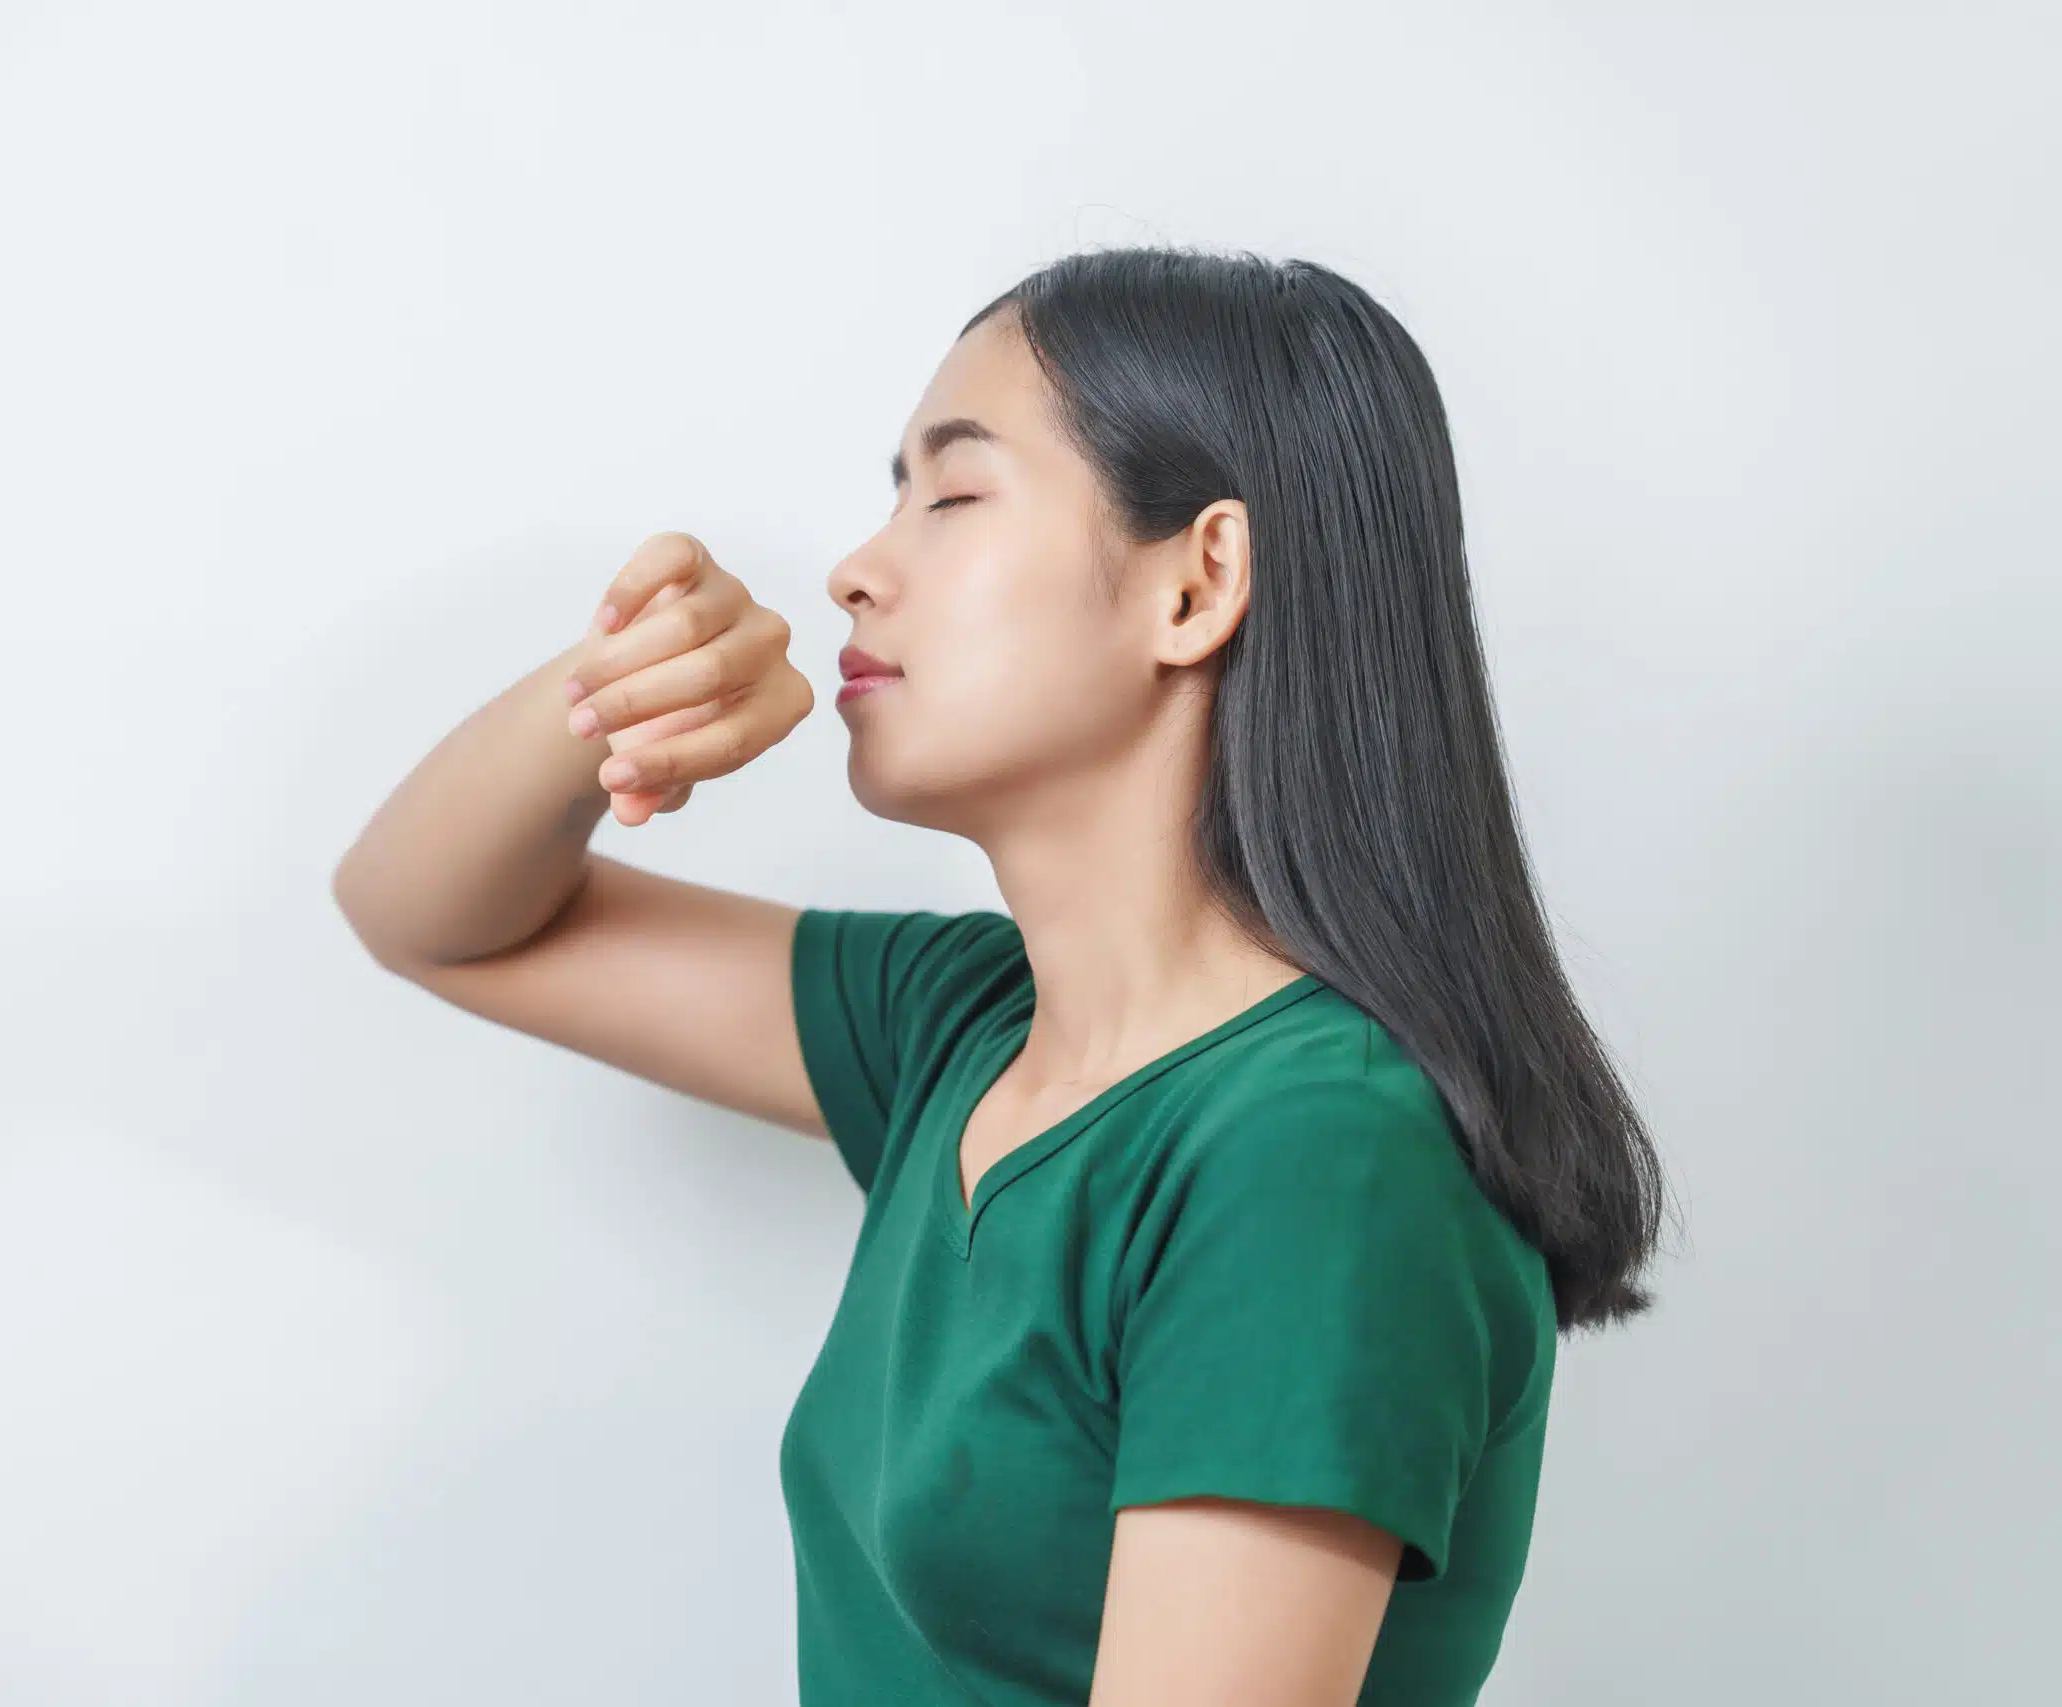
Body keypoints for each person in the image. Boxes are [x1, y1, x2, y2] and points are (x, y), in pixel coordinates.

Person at [333, 244, 1668, 1707]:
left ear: (1197, 581)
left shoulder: (1315, 1157)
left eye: (953, 496)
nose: (856, 566)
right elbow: (432, 917)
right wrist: (613, 701)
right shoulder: (962, 1028)